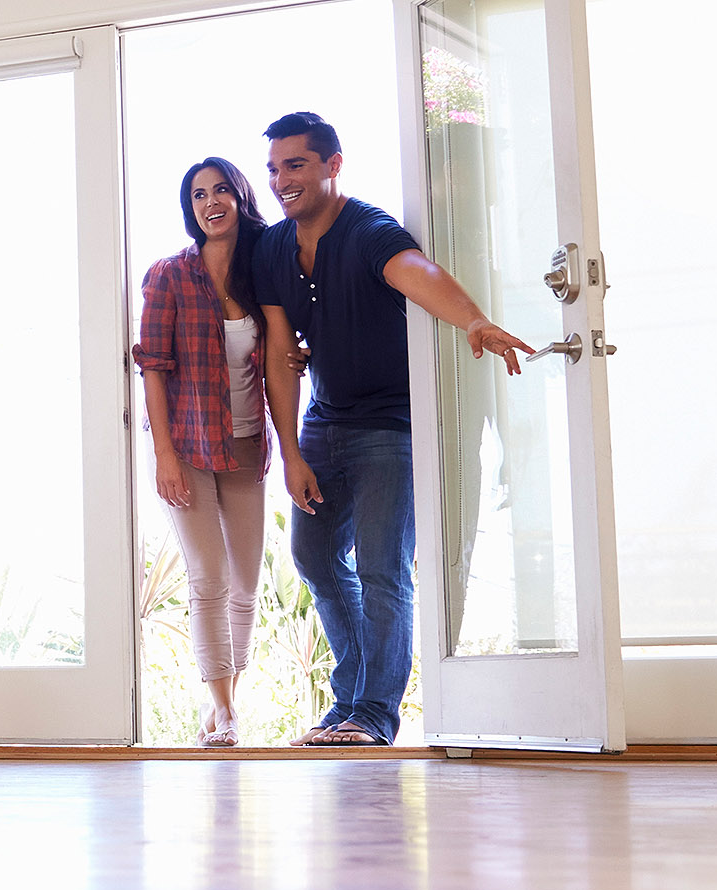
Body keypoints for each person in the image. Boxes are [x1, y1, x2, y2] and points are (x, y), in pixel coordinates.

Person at [252, 112, 526, 746]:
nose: (282, 180)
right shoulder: (271, 249)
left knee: (382, 568)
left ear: (331, 164)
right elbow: (276, 352)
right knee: (315, 557)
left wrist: (474, 321)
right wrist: (290, 452)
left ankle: (373, 717)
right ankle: (350, 703)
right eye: (273, 168)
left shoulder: (367, 228)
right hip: (325, 422)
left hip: (389, 428)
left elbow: (416, 273)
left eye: (296, 164)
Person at [134, 156, 278, 747]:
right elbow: (153, 368)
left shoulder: (263, 273)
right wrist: (165, 454)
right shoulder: (168, 275)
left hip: (245, 442)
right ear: (190, 209)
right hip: (187, 446)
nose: (211, 202)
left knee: (245, 581)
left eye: (221, 190)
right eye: (198, 195)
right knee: (209, 577)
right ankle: (223, 710)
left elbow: (287, 349)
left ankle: (227, 700)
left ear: (241, 197)